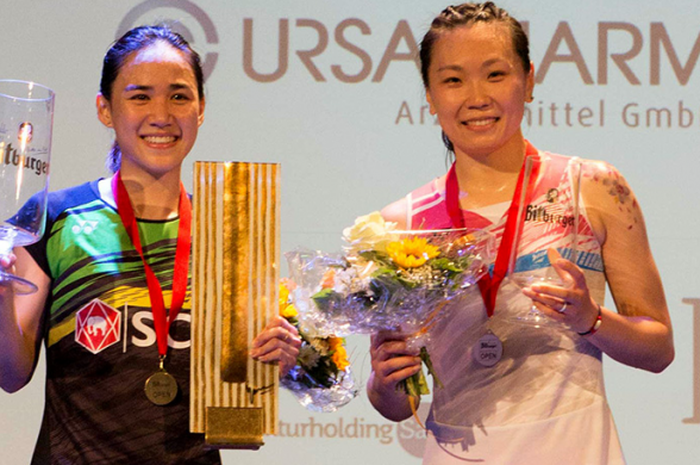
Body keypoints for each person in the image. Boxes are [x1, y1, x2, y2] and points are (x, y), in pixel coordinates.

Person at [366, 3, 674, 464]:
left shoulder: (592, 187)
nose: (476, 97)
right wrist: (385, 383)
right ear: (429, 97)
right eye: (452, 80)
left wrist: (591, 319)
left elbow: (659, 349)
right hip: (455, 451)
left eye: (495, 74)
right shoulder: (401, 224)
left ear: (529, 80)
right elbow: (397, 404)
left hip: (575, 445)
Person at [0, 26, 301, 464]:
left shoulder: (231, 233)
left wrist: (279, 358)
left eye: (179, 96)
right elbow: (10, 374)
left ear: (201, 110)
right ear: (105, 109)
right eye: (140, 96)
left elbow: (240, 396)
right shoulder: (54, 218)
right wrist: (3, 292)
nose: (161, 114)